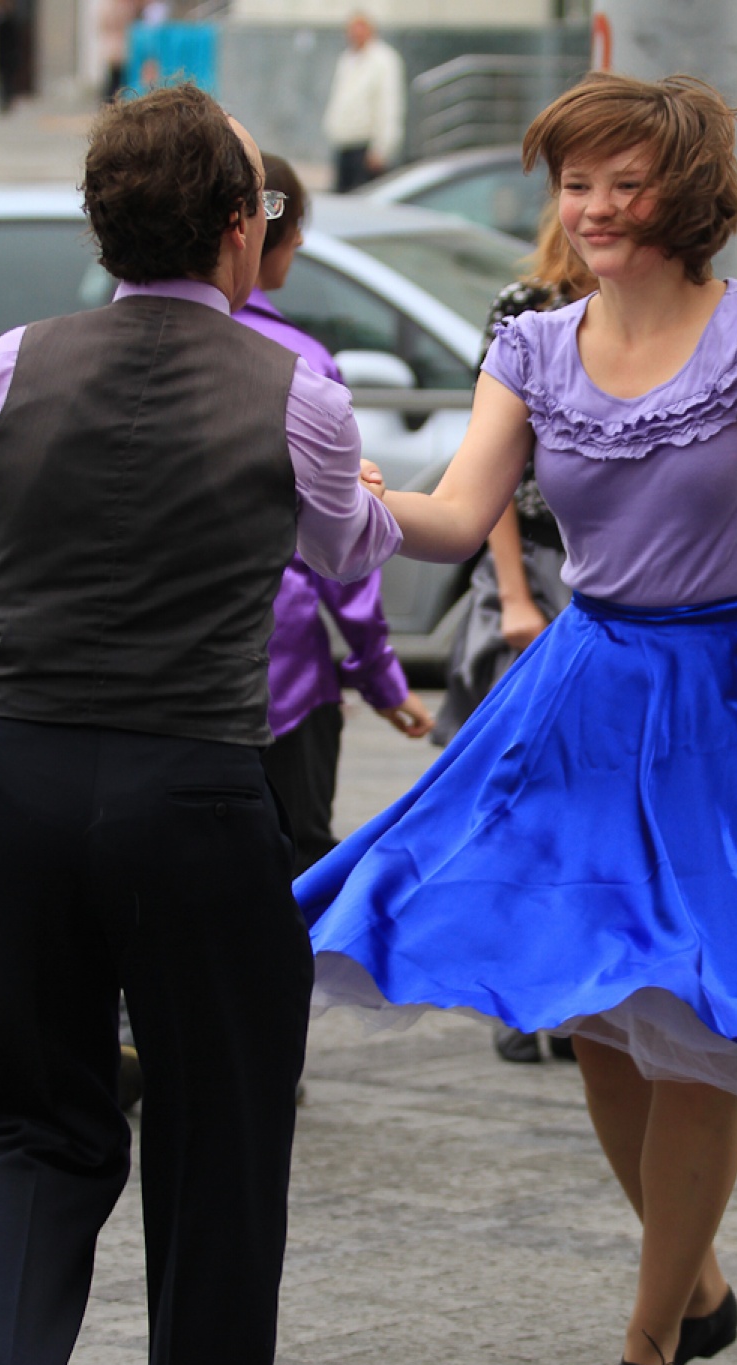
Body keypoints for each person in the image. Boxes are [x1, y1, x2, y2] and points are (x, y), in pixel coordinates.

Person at [294, 71, 737, 1365]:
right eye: (577, 183)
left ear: (685, 197)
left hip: (727, 708)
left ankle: (647, 1348)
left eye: (625, 182)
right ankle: (695, 1286)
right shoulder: (532, 346)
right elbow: (456, 518)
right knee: (602, 1023)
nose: (596, 207)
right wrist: (348, 494)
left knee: (699, 1013)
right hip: (582, 693)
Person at [0, 82, 400, 1365]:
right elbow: (343, 558)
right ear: (238, 227)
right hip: (194, 787)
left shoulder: (3, 365)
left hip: (14, 775)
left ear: (103, 229)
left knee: (33, 1118)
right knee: (220, 1137)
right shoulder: (301, 393)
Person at [234, 152, 432, 875]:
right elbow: (343, 554)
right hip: (280, 674)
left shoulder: (47, 359)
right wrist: (379, 675)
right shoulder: (302, 366)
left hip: (133, 700)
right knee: (294, 872)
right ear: (257, 232)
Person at [433, 203, 593, 1065]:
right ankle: (515, 993)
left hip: (604, 577)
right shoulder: (526, 311)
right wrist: (511, 594)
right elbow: (488, 471)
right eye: (583, 190)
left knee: (581, 801)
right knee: (516, 794)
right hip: (529, 564)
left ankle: (571, 992)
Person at [322, 11, 406, 192]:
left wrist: (382, 148)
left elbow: (389, 105)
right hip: (345, 142)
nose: (355, 34)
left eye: (360, 28)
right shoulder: (347, 58)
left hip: (366, 145)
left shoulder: (383, 60)